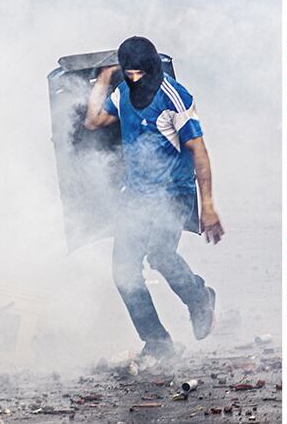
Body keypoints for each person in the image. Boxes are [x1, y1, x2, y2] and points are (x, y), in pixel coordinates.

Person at [84, 36, 223, 361]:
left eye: (139, 74)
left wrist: (209, 206)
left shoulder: (175, 95)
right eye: (128, 73)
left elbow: (199, 151)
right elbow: (93, 121)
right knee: (123, 273)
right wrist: (105, 78)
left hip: (173, 194)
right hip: (135, 197)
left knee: (160, 255)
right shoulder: (121, 93)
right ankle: (158, 342)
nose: (135, 80)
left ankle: (199, 297)